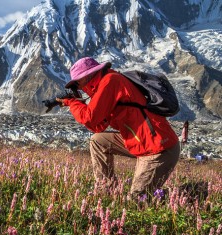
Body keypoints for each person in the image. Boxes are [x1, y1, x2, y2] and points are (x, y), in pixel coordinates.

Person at [57, 57, 180, 198]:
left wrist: (72, 103)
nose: (77, 87)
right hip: (140, 140)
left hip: (158, 148)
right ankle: (107, 191)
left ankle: (192, 193)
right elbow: (98, 126)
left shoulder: (111, 81)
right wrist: (78, 102)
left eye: (77, 83)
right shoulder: (105, 85)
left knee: (137, 199)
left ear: (88, 76)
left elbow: (89, 117)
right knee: (98, 141)